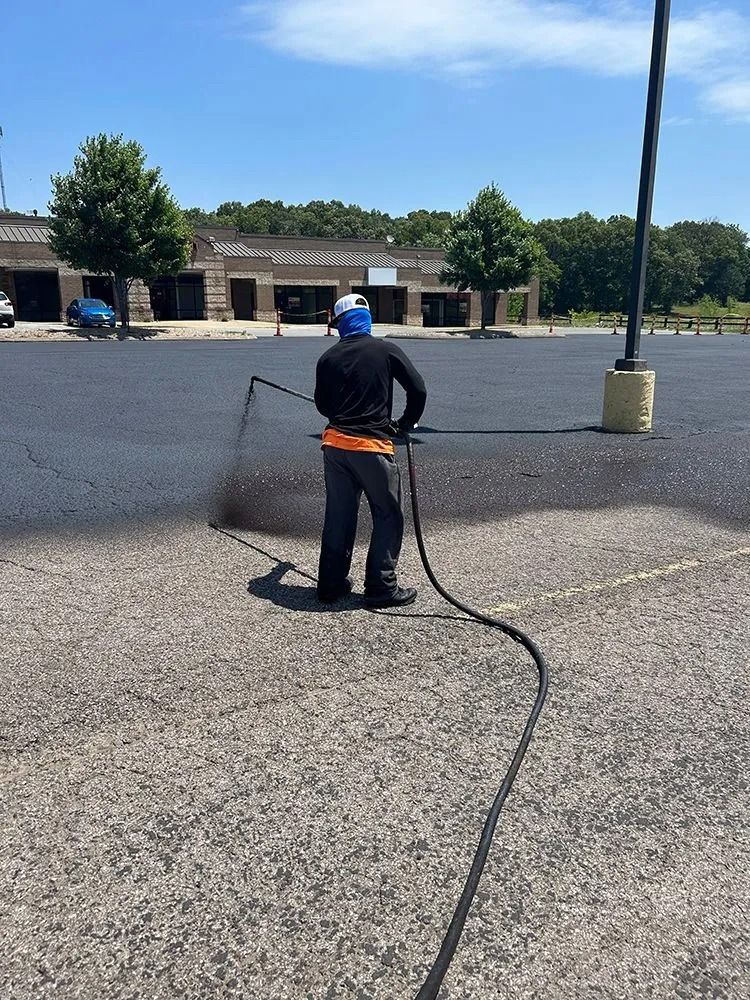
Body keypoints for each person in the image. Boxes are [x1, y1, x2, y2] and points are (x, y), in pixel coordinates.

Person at [314, 293, 427, 607]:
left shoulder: (328, 358)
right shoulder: (386, 350)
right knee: (388, 513)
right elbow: (418, 389)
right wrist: (404, 423)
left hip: (334, 447)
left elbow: (323, 406)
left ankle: (330, 585)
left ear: (340, 324)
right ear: (366, 320)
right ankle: (381, 587)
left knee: (339, 516)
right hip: (371, 447)